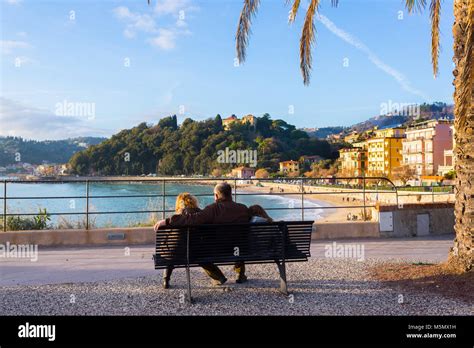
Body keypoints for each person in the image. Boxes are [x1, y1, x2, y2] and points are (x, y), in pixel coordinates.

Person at [155, 182, 251, 284]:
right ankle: (240, 274)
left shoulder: (213, 209)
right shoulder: (243, 208)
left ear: (216, 196)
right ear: (230, 194)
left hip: (216, 250)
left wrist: (168, 221)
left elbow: (193, 219)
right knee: (237, 240)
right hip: (239, 249)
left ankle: (219, 277)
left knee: (203, 249)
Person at [158, 193, 227, 289]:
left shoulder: (176, 218)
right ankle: (220, 277)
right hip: (196, 253)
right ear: (194, 202)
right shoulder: (202, 215)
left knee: (172, 251)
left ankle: (166, 279)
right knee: (200, 254)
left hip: (176, 254)